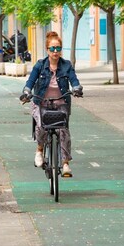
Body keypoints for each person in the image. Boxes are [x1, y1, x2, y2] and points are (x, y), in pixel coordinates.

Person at [21, 31, 82, 177]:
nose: (55, 52)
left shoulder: (66, 65)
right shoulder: (40, 65)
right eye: (52, 48)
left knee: (63, 131)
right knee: (41, 126)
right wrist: (27, 92)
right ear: (47, 50)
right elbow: (31, 81)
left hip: (61, 103)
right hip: (41, 103)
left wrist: (76, 88)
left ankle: (65, 164)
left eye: (58, 48)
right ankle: (39, 150)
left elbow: (74, 80)